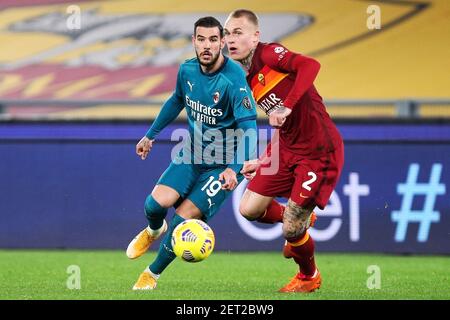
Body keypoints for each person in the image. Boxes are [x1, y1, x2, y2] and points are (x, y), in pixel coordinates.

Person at [126, 16, 257, 290]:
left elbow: (250, 130)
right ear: (193, 41)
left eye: (212, 39)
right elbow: (176, 100)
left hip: (222, 167)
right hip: (193, 154)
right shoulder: (187, 71)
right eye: (201, 39)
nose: (206, 46)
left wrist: (234, 168)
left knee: (182, 219)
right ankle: (153, 230)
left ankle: (152, 274)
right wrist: (151, 135)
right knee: (153, 205)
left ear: (222, 42)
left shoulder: (234, 81)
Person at [224, 9, 344, 293]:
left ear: (255, 38)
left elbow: (311, 65)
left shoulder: (269, 55)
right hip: (287, 149)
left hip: (318, 151)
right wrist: (265, 159)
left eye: (238, 33)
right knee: (249, 209)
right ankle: (301, 220)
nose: (231, 39)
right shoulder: (244, 76)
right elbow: (284, 127)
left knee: (290, 229)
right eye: (228, 33)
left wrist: (287, 104)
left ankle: (308, 276)